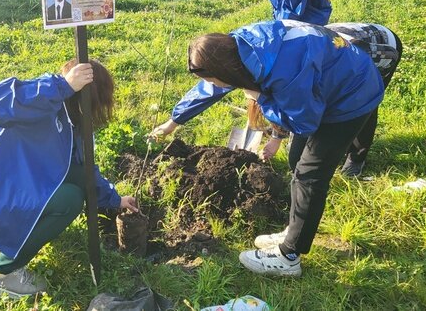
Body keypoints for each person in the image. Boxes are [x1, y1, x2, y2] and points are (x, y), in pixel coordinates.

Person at [150, 20, 386, 277]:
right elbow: (209, 88)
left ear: (225, 71)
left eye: (215, 80)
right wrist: (173, 123)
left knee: (310, 175)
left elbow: (304, 121)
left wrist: (260, 98)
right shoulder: (239, 50)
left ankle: (289, 257)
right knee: (296, 161)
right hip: (328, 84)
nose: (217, 86)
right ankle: (294, 229)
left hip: (350, 96)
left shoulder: (285, 70)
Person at [0, 59, 138, 298]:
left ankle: (18, 236)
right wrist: (62, 86)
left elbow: (84, 170)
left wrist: (115, 199)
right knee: (70, 200)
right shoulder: (44, 101)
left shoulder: (74, 123)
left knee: (75, 180)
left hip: (15, 182)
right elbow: (2, 103)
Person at [260, 22, 402, 177]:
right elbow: (288, 103)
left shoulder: (330, 64)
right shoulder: (286, 68)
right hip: (337, 49)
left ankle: (356, 158)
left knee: (363, 106)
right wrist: (276, 138)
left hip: (382, 50)